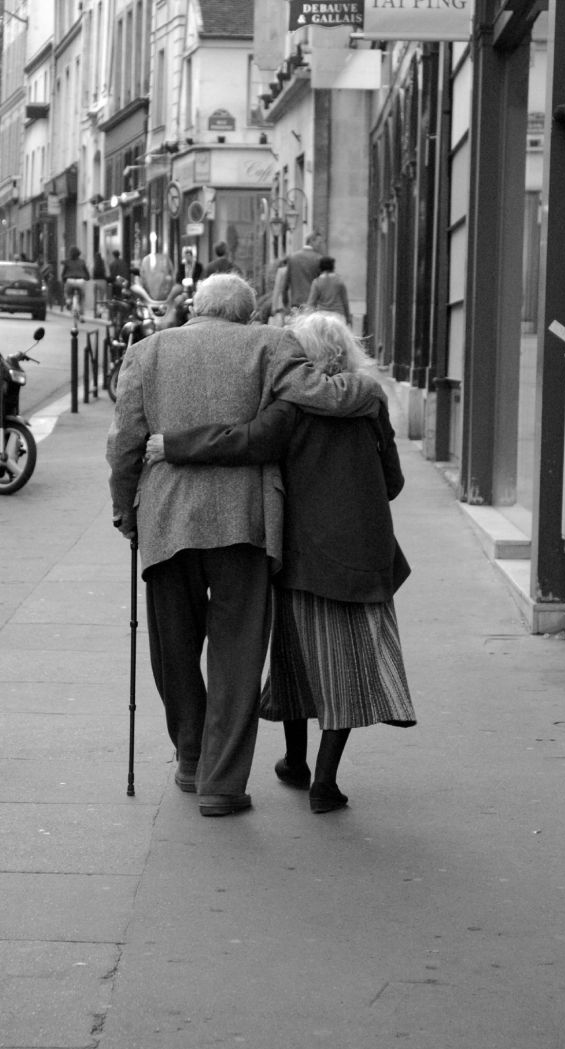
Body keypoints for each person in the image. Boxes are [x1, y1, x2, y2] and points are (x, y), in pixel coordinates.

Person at [106, 275, 385, 818]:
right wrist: (369, 387)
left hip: (167, 517)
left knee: (173, 647)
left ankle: (191, 757)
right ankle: (222, 784)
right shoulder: (271, 344)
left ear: (195, 306)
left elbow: (124, 444)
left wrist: (125, 510)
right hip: (246, 520)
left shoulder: (147, 352)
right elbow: (326, 396)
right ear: (248, 313)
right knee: (237, 656)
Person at [307, 255, 352, 327]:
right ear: (333, 267)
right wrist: (348, 318)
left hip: (322, 317)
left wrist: (307, 318)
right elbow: (345, 301)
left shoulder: (316, 282)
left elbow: (311, 303)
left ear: (320, 267)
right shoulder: (339, 281)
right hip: (338, 317)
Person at [283, 230, 322, 310]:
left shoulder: (293, 258)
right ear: (312, 241)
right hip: (313, 304)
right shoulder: (319, 259)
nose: (320, 246)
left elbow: (286, 284)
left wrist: (285, 302)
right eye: (319, 243)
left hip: (296, 303)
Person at [61, 246, 89, 317]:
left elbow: (63, 273)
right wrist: (87, 278)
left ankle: (68, 301)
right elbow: (86, 272)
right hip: (80, 281)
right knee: (82, 297)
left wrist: (63, 280)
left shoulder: (67, 261)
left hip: (70, 280)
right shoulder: (82, 262)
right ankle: (81, 312)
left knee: (67, 293)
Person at [92, 251, 108, 317]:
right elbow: (107, 272)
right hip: (103, 281)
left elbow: (92, 273)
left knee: (96, 298)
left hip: (96, 282)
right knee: (101, 299)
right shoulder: (103, 263)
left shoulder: (94, 263)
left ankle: (96, 311)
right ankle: (100, 311)